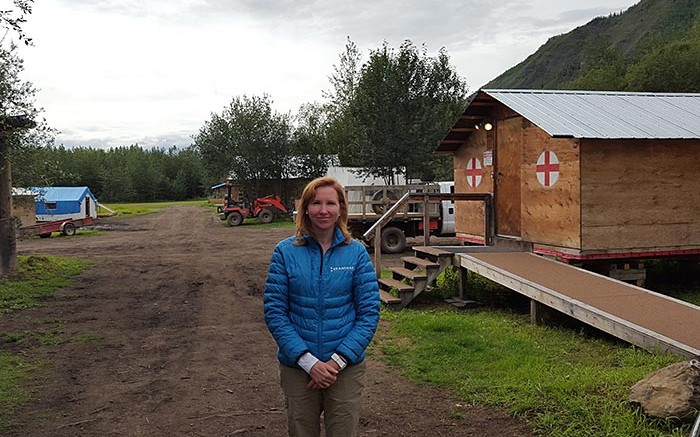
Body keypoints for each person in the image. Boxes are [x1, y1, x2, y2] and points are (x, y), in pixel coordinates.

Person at [264, 176, 380, 437]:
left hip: (345, 369)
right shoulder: (285, 252)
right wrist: (309, 363)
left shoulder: (357, 253)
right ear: (305, 208)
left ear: (341, 208)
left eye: (330, 203)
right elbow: (275, 312)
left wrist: (336, 362)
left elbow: (369, 313)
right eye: (316, 203)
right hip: (298, 369)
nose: (323, 210)